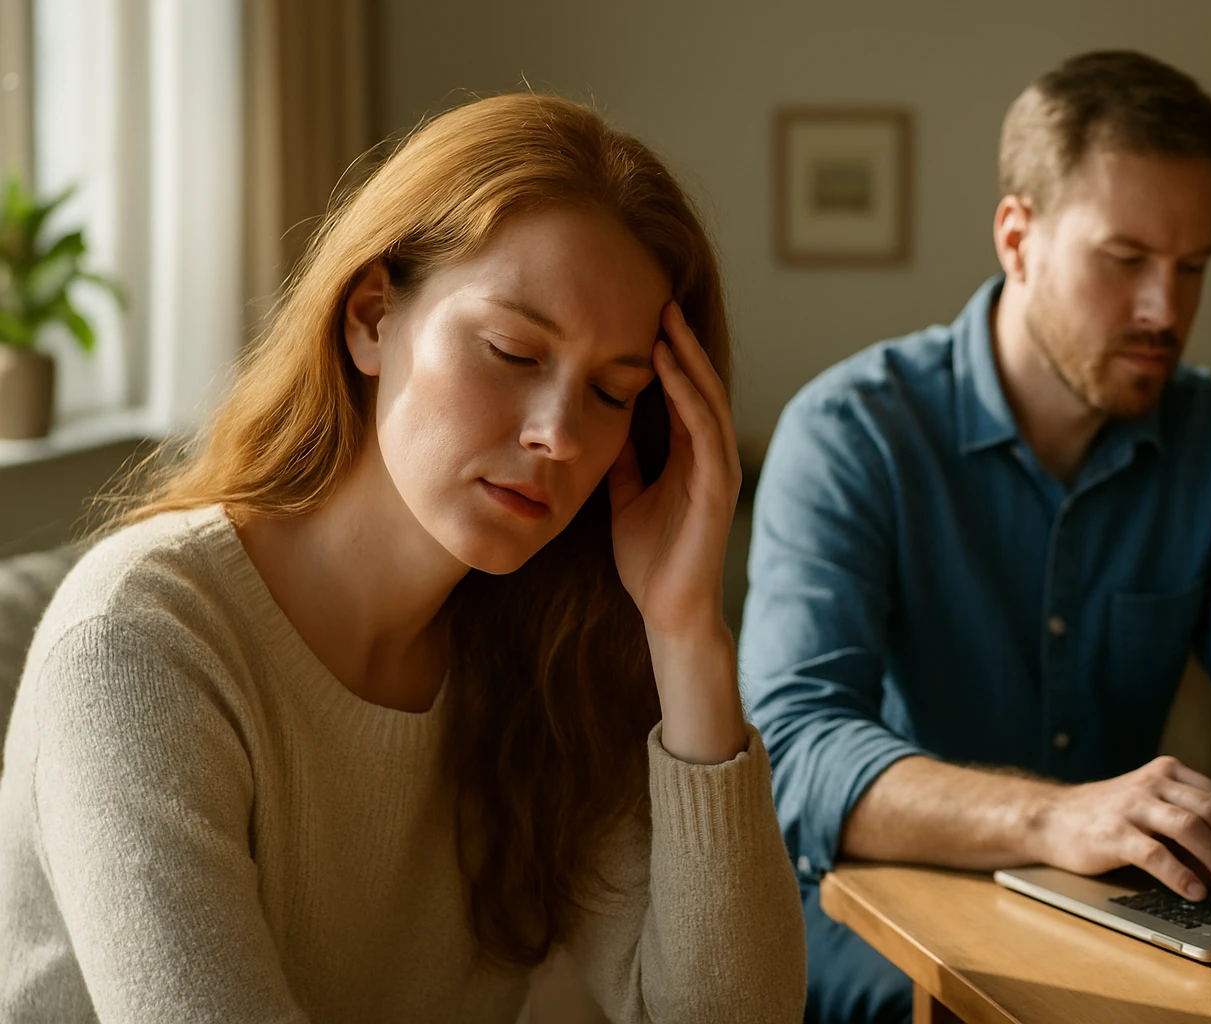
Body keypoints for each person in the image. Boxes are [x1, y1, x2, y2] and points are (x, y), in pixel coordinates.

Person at [0, 94, 805, 1022]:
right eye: (511, 350)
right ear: (373, 316)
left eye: (613, 393)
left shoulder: (550, 653)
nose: (559, 436)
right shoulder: (138, 644)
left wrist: (686, 632)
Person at [740, 50, 1211, 1024]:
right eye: (1126, 259)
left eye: (1192, 268)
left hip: (1110, 919)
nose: (1164, 312)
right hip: (876, 917)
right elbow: (794, 757)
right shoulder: (850, 433)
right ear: (1017, 237)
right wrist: (1059, 815)